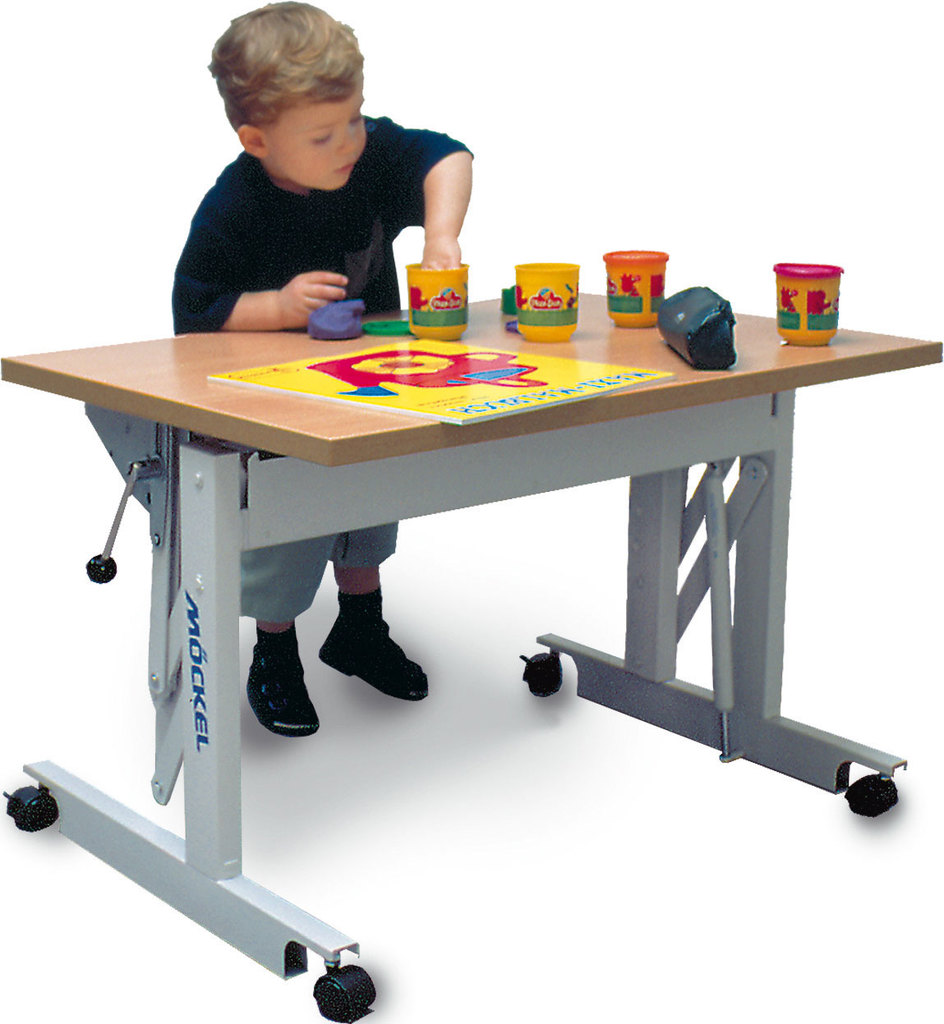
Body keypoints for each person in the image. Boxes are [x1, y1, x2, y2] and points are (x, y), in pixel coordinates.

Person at [172, 2, 473, 738]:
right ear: (257, 140)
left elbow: (449, 156)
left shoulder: (363, 158)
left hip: (373, 391)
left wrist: (441, 236)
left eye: (355, 120)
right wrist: (276, 305)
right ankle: (275, 652)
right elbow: (195, 308)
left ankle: (359, 628)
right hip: (278, 412)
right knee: (287, 531)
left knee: (370, 511)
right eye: (322, 135)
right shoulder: (235, 204)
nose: (348, 144)